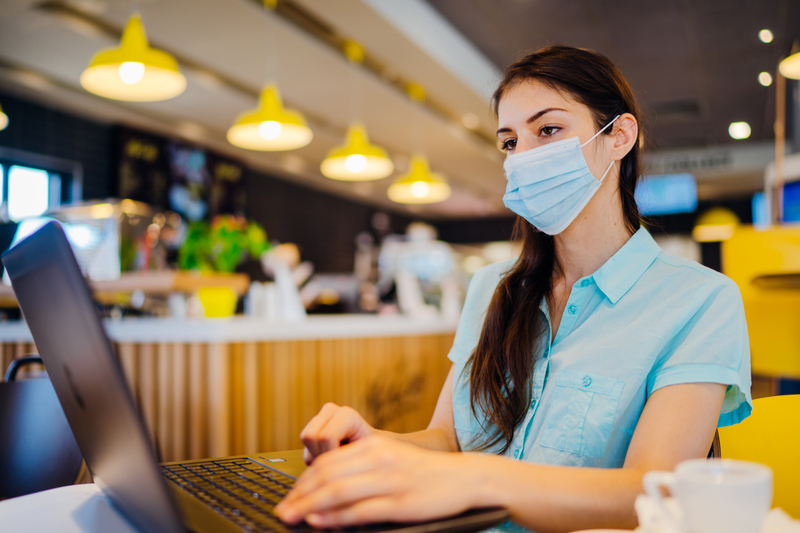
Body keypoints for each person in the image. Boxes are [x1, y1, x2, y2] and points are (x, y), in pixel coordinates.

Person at [274, 45, 752, 532]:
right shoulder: (491, 288)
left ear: (619, 137)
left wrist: (480, 479)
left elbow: (651, 491)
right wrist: (371, 443)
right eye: (509, 142)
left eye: (548, 130)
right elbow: (447, 441)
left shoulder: (701, 300)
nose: (523, 157)